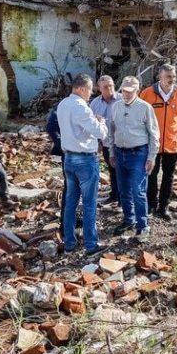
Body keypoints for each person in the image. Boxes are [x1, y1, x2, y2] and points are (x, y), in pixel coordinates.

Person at [56, 73, 108, 255]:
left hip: (69, 158)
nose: (91, 93)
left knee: (70, 202)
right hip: (85, 159)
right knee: (89, 203)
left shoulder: (63, 104)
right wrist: (101, 123)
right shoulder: (81, 107)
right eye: (89, 89)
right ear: (79, 88)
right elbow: (101, 133)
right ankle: (91, 244)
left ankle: (69, 242)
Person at [107, 76, 159, 243]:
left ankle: (142, 225)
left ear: (137, 91)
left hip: (138, 154)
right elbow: (111, 130)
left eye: (130, 92)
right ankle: (129, 219)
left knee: (138, 190)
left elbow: (154, 134)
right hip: (120, 153)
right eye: (124, 91)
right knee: (123, 190)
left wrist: (151, 157)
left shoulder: (145, 108)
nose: (127, 94)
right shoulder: (115, 107)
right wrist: (111, 153)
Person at [140, 64, 177, 220]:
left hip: (172, 143)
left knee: (168, 176)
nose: (172, 79)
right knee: (151, 175)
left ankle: (163, 207)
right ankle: (150, 205)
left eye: (174, 76)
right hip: (152, 144)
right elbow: (139, 119)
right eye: (168, 76)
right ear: (160, 77)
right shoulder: (147, 94)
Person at [89, 75, 121, 205]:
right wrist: (98, 142)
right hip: (107, 143)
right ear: (99, 89)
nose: (109, 89)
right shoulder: (95, 104)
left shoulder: (122, 99)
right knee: (112, 170)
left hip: (122, 143)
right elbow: (92, 125)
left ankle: (124, 200)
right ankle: (115, 195)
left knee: (123, 171)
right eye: (106, 87)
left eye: (111, 85)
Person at [46, 104, 66, 236]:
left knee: (75, 190)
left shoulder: (86, 106)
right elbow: (50, 127)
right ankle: (65, 223)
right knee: (71, 189)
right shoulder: (62, 106)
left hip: (82, 154)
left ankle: (70, 219)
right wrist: (61, 144)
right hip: (69, 154)